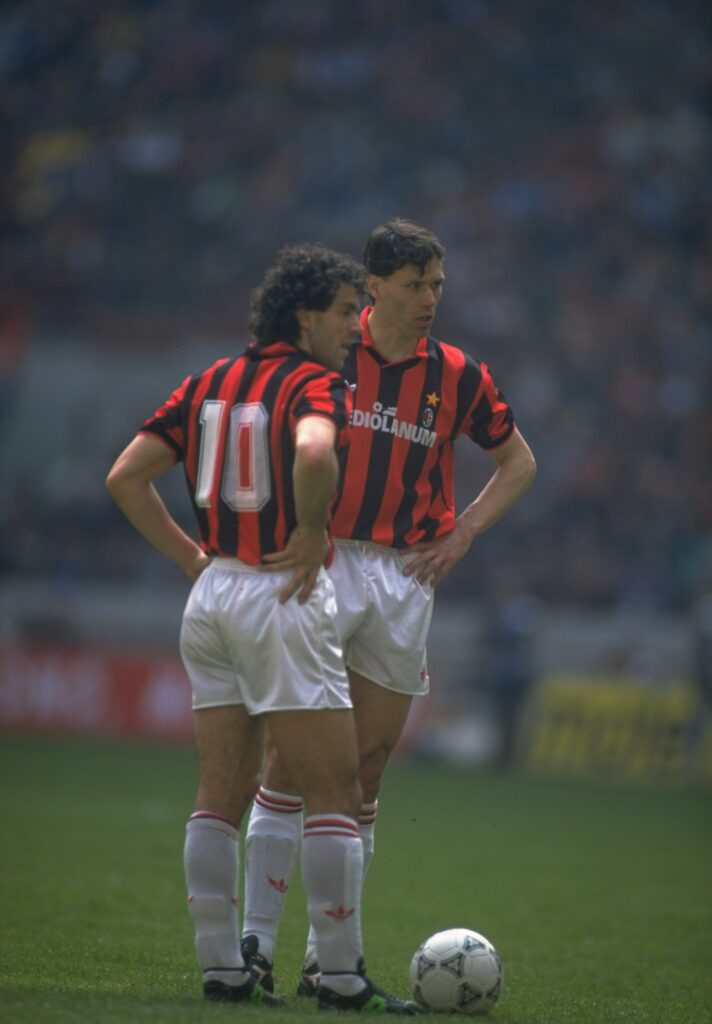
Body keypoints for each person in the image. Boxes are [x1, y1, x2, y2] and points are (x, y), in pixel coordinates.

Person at [105, 243, 420, 1014]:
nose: (357, 327)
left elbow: (126, 477)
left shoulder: (209, 379)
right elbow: (315, 449)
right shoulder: (316, 383)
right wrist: (313, 531)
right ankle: (341, 976)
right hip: (279, 594)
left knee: (220, 791)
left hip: (213, 595)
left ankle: (222, 967)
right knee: (335, 789)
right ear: (306, 315)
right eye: (348, 311)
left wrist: (191, 557)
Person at [241, 219, 537, 995]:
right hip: (326, 557)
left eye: (438, 284)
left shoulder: (460, 374)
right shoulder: (331, 354)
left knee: (366, 773)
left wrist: (464, 532)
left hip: (406, 578)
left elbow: (518, 461)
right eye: (416, 285)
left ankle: (325, 959)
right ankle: (253, 945)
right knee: (289, 764)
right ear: (374, 288)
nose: (431, 298)